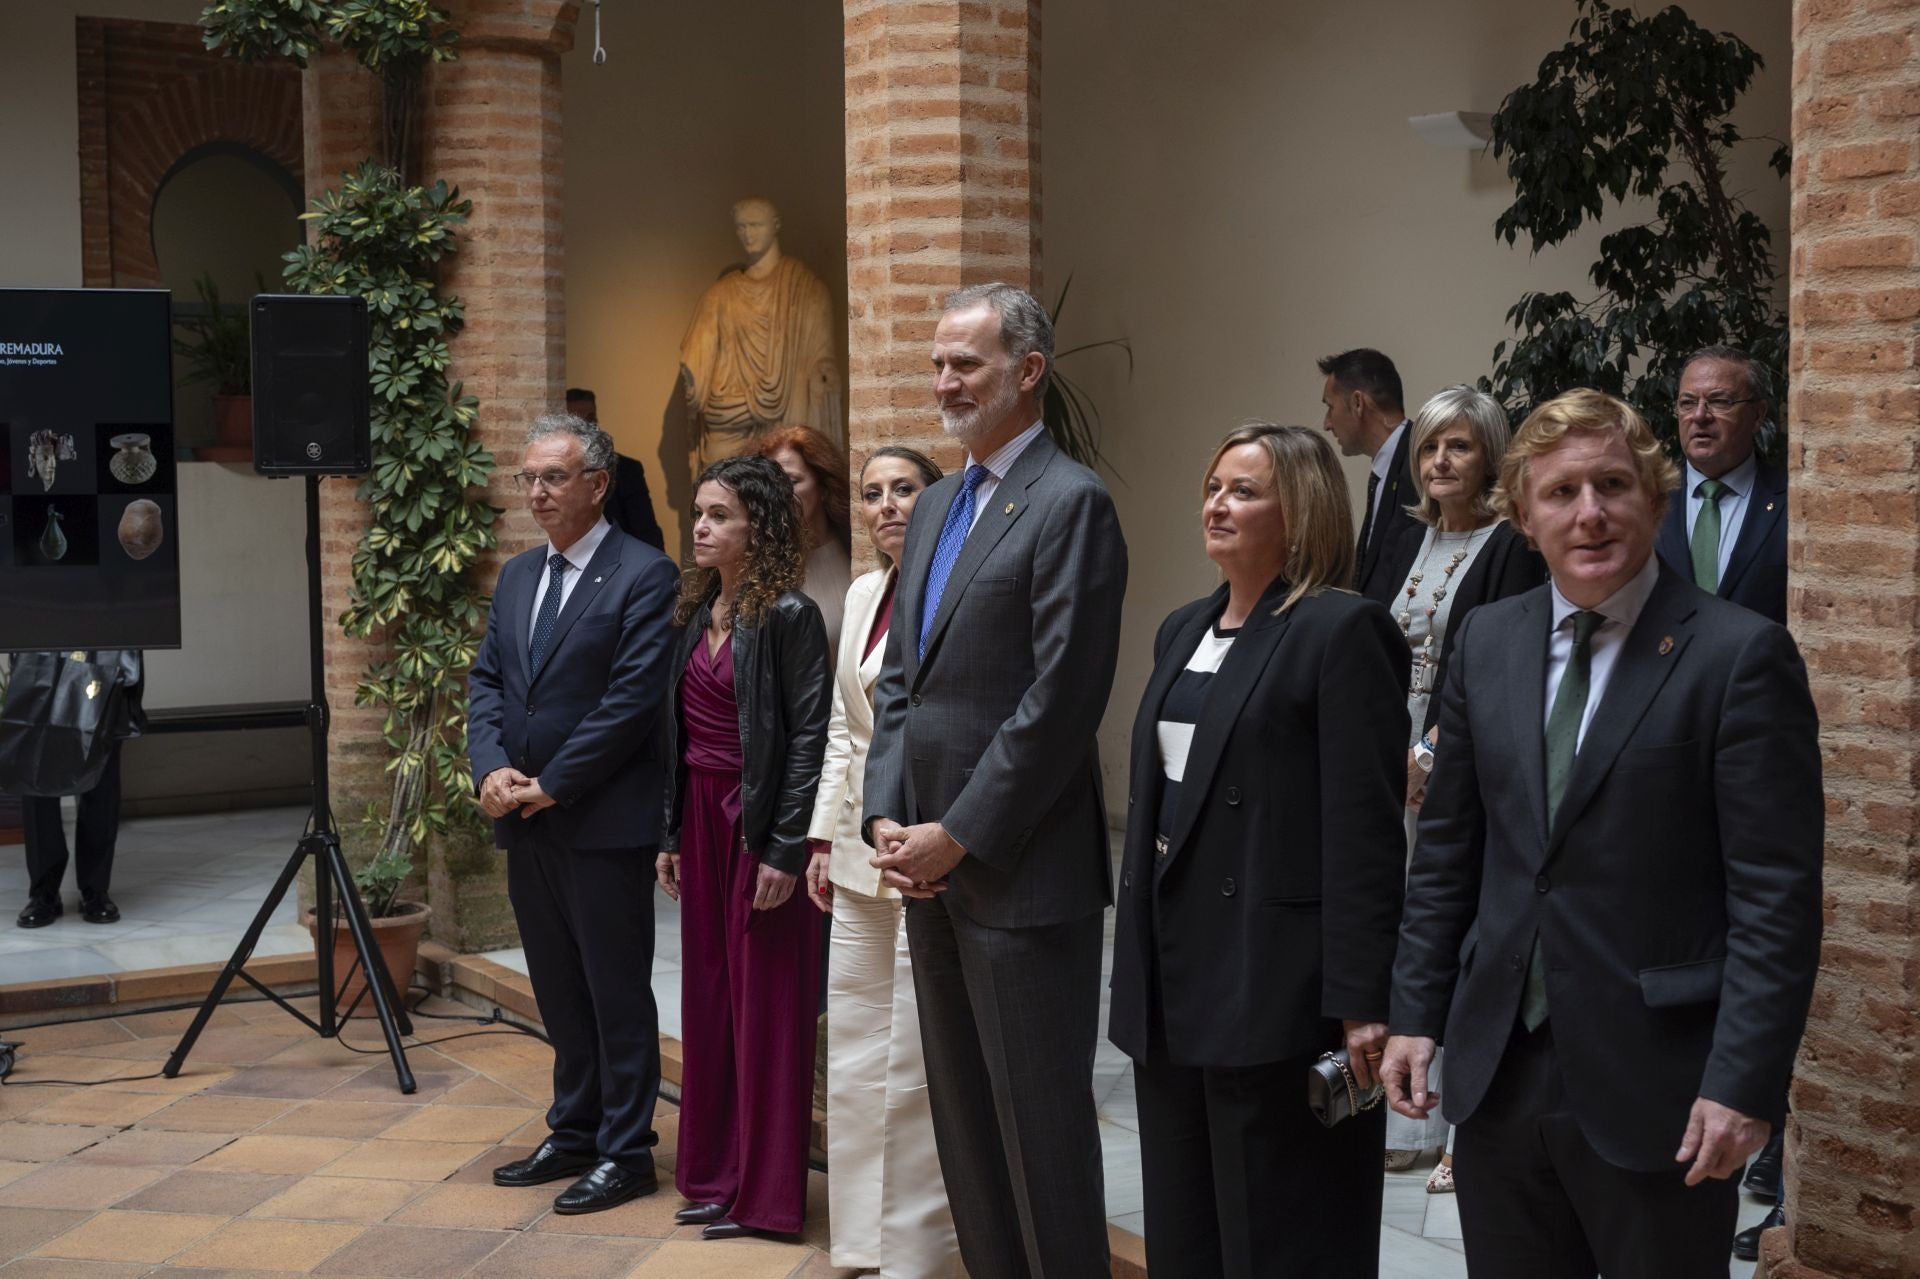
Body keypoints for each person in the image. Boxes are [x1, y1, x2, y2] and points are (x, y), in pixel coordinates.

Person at [1382, 388, 1824, 1278]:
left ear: (1654, 501)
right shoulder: (1488, 641)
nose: (1590, 513)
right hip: (1501, 1071)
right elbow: (1449, 855)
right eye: (1560, 493)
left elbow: (1775, 900)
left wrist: (1742, 1081)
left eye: (1614, 485)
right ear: (1522, 516)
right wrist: (1416, 1013)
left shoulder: (1737, 658)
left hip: (1659, 1084)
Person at [863, 282, 1127, 1279]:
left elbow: (1061, 700)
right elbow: (904, 680)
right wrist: (890, 818)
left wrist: (960, 831)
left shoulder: (1072, 503)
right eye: (936, 363)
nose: (944, 383)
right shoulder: (934, 504)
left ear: (1028, 371)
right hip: (930, 868)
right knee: (966, 1129)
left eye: (963, 364)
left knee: (1042, 1138)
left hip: (1019, 877)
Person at [1108, 423, 1407, 1279]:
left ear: (1303, 509)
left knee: (1281, 1237)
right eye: (1213, 487)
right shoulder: (1181, 628)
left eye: (1243, 490)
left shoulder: (1341, 631)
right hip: (1172, 983)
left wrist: (1363, 1000)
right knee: (1186, 1232)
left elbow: (1364, 833)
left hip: (1275, 985)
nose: (1217, 503)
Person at [468, 413, 681, 1214]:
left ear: (597, 484)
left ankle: (628, 1150)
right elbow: (486, 681)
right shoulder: (520, 575)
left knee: (614, 988)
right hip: (526, 818)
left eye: (553, 477)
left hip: (600, 821)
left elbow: (630, 703)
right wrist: (491, 769)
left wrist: (554, 780)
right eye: (528, 478)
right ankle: (576, 1127)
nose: (535, 492)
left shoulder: (644, 572)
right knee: (557, 985)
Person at [657, 454, 831, 1241]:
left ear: (756, 525)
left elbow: (808, 742)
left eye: (719, 514)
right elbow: (677, 735)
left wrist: (786, 850)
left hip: (757, 824)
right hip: (699, 815)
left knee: (767, 1009)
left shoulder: (790, 615)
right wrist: (670, 834)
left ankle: (766, 1198)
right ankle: (718, 1173)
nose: (700, 526)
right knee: (710, 999)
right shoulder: (694, 609)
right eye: (698, 512)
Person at [804, 445, 962, 1278]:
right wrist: (826, 838)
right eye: (873, 493)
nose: (888, 505)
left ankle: (918, 1247)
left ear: (940, 502)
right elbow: (842, 727)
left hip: (927, 848)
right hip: (861, 849)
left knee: (914, 1054)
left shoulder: (955, 592)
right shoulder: (866, 593)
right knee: (859, 1048)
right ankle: (860, 1237)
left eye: (906, 489)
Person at [1386, 385, 1546, 1185]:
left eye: (1459, 446)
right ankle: (1405, 1113)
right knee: (1408, 918)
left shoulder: (1512, 544)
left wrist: (1431, 753)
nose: (1440, 461)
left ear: (1490, 455)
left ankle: (1459, 1128)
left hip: (1462, 749)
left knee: (1458, 914)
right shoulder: (1406, 538)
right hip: (1394, 748)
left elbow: (1503, 667)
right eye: (1428, 447)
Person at [678, 197, 842, 469]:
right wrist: (695, 381)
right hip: (728, 419)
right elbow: (695, 368)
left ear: (775, 226)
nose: (748, 234)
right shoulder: (719, 295)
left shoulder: (806, 291)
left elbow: (821, 367)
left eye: (756, 225)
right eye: (741, 227)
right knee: (721, 477)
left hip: (788, 414)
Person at [1654, 346, 1786, 624]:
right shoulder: (1647, 498)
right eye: (1687, 403)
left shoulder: (1791, 504)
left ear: (1758, 414)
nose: (1699, 416)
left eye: (1720, 401)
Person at [16, 649, 144, 928]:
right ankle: (44, 891)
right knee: (37, 776)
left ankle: (95, 889)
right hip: (42, 645)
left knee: (101, 779)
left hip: (105, 646)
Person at [1319, 348, 1420, 604]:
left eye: (1330, 408)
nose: (1327, 423)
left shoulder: (1421, 464)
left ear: (1357, 403)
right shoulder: (1386, 468)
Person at [757, 424, 854, 655]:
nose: (779, 493)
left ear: (823, 485)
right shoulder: (761, 564)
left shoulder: (856, 550)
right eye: (770, 483)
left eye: (791, 481)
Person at [565, 387, 666, 551]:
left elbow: (647, 534)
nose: (586, 428)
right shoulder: (556, 475)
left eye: (590, 419)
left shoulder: (626, 470)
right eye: (578, 422)